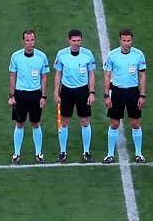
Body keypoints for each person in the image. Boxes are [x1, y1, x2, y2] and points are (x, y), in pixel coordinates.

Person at [103, 28, 147, 164]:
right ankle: (110, 154)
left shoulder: (138, 55)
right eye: (124, 40)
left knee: (135, 122)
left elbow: (142, 76)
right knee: (115, 123)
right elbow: (107, 76)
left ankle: (139, 154)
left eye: (129, 40)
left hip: (133, 92)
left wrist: (142, 95)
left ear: (131, 40)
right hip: (117, 91)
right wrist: (106, 95)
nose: (127, 43)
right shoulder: (112, 55)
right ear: (120, 40)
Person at [53, 29, 97, 163]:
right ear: (69, 41)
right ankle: (62, 152)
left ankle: (86, 152)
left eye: (79, 41)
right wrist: (56, 92)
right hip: (66, 90)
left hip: (83, 91)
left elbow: (91, 74)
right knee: (64, 121)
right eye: (74, 41)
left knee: (85, 121)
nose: (76, 43)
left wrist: (92, 92)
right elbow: (58, 74)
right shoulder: (62, 54)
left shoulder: (88, 54)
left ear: (81, 40)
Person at [7, 30, 51, 164]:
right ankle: (16, 154)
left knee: (35, 123)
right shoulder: (16, 56)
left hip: (35, 94)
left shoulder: (42, 56)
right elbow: (12, 76)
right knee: (19, 123)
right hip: (20, 94)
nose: (30, 43)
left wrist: (43, 96)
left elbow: (44, 77)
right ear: (23, 41)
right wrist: (12, 95)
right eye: (27, 40)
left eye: (32, 40)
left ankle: (39, 153)